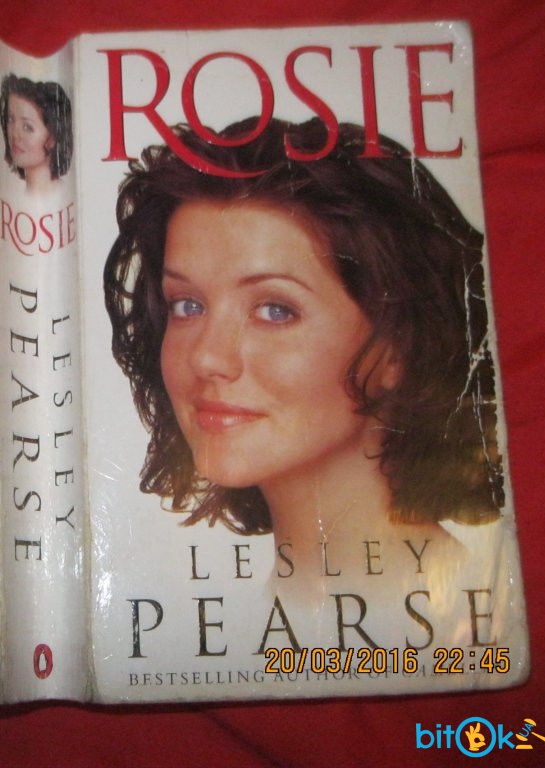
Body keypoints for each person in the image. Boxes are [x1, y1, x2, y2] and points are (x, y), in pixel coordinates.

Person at [104, 117, 504, 598]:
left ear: (400, 344)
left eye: (275, 311)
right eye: (187, 306)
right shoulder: (255, 614)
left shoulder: (462, 608)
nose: (207, 357)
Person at [0, 74, 72, 196]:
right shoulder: (14, 195)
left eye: (27, 127)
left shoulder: (63, 195)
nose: (15, 134)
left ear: (53, 137)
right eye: (11, 120)